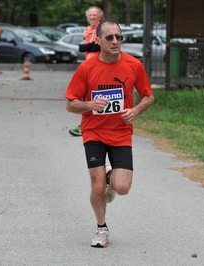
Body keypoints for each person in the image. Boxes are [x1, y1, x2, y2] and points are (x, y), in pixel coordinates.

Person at [64, 19, 154, 248]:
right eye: (109, 37)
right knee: (96, 186)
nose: (115, 41)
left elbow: (148, 96)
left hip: (121, 133)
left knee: (122, 188)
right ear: (98, 40)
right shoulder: (87, 68)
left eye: (119, 37)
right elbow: (70, 104)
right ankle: (101, 229)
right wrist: (89, 105)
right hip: (94, 131)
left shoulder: (134, 65)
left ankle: (110, 173)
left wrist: (135, 110)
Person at [68, 6, 104, 137]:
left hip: (100, 67)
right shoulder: (88, 30)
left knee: (96, 95)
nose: (93, 17)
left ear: (100, 16)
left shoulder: (102, 28)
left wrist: (89, 45)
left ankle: (88, 126)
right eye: (90, 15)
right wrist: (90, 45)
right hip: (87, 67)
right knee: (87, 96)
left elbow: (97, 46)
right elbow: (81, 48)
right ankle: (86, 125)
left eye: (95, 15)